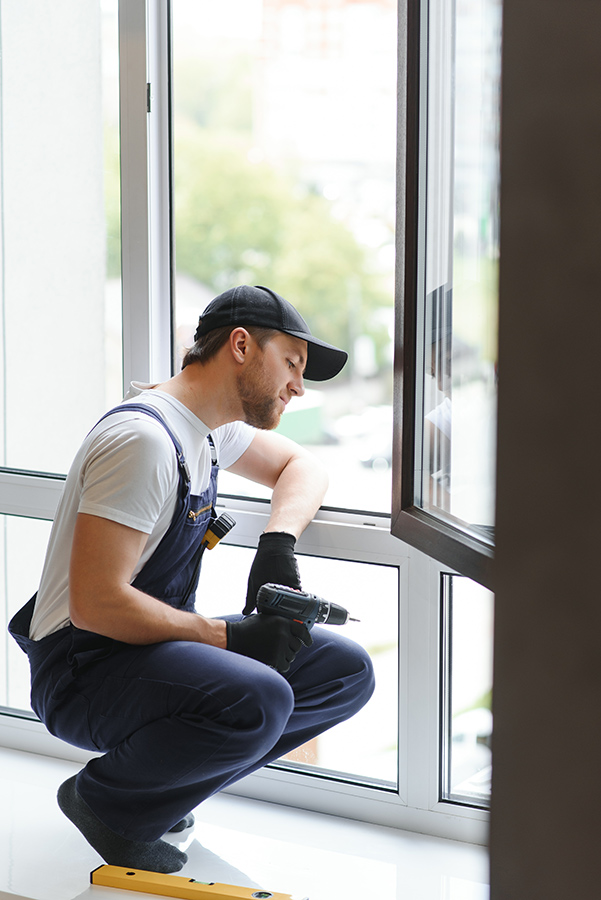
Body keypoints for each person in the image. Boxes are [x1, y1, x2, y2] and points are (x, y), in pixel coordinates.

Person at [8, 284, 375, 874]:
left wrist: (276, 545)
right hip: (83, 671)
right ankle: (108, 804)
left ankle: (161, 786)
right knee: (261, 695)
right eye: (292, 363)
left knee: (342, 671)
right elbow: (96, 605)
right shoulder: (145, 443)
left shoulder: (207, 429)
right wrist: (230, 639)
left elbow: (302, 466)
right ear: (240, 345)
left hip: (145, 650)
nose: (299, 386)